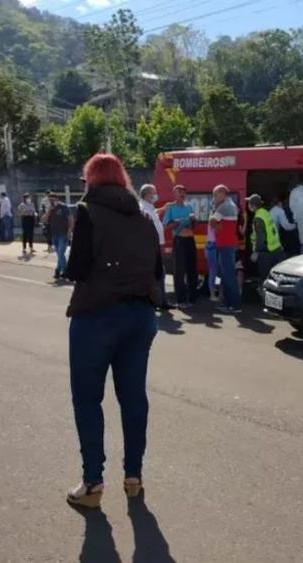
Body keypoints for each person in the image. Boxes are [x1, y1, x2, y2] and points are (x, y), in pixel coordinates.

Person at [63, 153, 161, 507]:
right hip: (141, 315)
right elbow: (157, 270)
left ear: (91, 180)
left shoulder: (89, 212)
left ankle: (92, 483)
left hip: (97, 314)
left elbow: (76, 269)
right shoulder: (144, 217)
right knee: (134, 397)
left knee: (88, 399)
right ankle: (133, 476)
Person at [162, 185, 198, 308]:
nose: (182, 193)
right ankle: (181, 300)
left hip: (190, 239)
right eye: (179, 192)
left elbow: (193, 224)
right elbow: (165, 226)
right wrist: (175, 223)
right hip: (179, 240)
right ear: (174, 194)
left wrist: (193, 220)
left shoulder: (189, 206)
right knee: (179, 271)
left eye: (183, 191)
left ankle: (192, 298)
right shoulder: (171, 208)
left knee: (192, 270)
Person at [209, 185, 241, 313]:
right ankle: (227, 303)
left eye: (215, 194)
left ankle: (234, 305)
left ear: (222, 193)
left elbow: (211, 221)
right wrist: (218, 224)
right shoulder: (230, 204)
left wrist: (215, 220)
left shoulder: (225, 206)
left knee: (228, 275)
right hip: (226, 244)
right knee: (226, 274)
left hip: (226, 245)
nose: (214, 198)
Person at [138, 184, 170, 310]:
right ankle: (156, 300)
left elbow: (154, 213)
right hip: (149, 247)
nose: (155, 195)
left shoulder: (150, 207)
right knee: (155, 273)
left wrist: (162, 209)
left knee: (160, 273)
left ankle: (161, 300)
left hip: (156, 246)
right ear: (147, 194)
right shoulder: (142, 209)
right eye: (154, 193)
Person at [247, 194, 284, 288]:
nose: (248, 206)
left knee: (265, 279)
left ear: (254, 205)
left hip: (266, 252)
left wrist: (256, 252)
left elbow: (261, 237)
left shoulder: (258, 218)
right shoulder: (266, 213)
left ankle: (267, 299)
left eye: (250, 204)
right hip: (276, 249)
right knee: (275, 278)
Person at [44, 193, 74, 279]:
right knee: (58, 254)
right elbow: (44, 219)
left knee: (61, 253)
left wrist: (70, 230)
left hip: (63, 233)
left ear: (57, 199)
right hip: (54, 234)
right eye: (49, 200)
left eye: (52, 200)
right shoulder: (50, 209)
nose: (51, 202)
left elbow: (70, 219)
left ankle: (63, 270)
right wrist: (49, 210)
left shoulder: (64, 207)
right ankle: (59, 270)